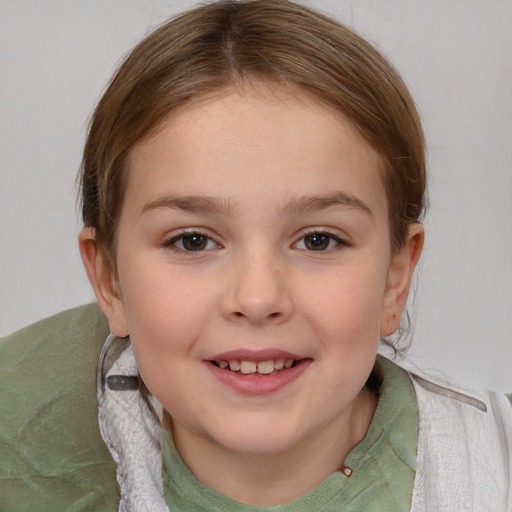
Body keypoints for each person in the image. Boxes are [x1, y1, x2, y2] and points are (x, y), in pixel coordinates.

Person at [0, 1, 510, 511]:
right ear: (109, 280)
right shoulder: (18, 445)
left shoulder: (494, 469)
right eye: (192, 240)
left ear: (396, 277)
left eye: (318, 240)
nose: (259, 297)